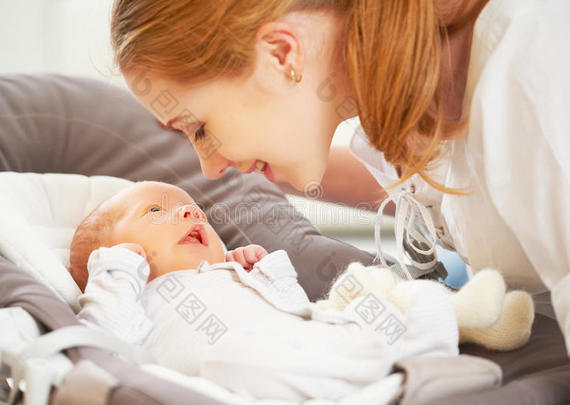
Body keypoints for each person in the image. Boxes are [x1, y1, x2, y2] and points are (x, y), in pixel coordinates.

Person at [109, 0, 570, 354]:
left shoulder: (533, 77)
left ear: (280, 53)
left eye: (201, 128)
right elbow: (463, 188)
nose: (208, 168)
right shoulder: (396, 90)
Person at [69, 180, 532, 401]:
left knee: (370, 299)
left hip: (314, 350)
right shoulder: (131, 296)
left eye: (196, 212)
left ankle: (432, 336)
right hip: (244, 384)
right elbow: (105, 342)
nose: (192, 216)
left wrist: (266, 274)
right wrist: (114, 270)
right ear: (115, 252)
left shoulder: (234, 275)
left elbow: (297, 311)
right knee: (233, 358)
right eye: (157, 211)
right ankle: (406, 369)